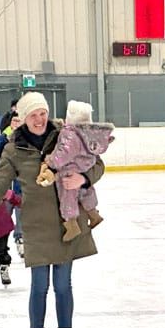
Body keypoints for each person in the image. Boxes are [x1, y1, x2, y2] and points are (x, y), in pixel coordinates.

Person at [0, 92, 105, 328]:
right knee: (39, 286)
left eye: (43, 113)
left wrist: (83, 179)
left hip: (66, 223)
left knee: (63, 285)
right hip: (36, 226)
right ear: (23, 118)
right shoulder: (13, 150)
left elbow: (97, 163)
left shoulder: (66, 135)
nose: (40, 119)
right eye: (33, 115)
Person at [42, 101, 113, 242]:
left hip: (70, 168)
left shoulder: (70, 134)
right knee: (85, 191)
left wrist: (50, 162)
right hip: (84, 165)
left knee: (67, 194)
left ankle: (71, 224)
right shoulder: (89, 134)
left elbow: (64, 153)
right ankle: (93, 214)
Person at [0, 116, 24, 257]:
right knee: (2, 218)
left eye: (19, 120)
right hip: (5, 189)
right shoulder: (1, 139)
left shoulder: (26, 139)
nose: (17, 123)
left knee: (21, 217)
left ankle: (20, 241)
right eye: (14, 121)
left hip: (21, 188)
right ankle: (0, 247)